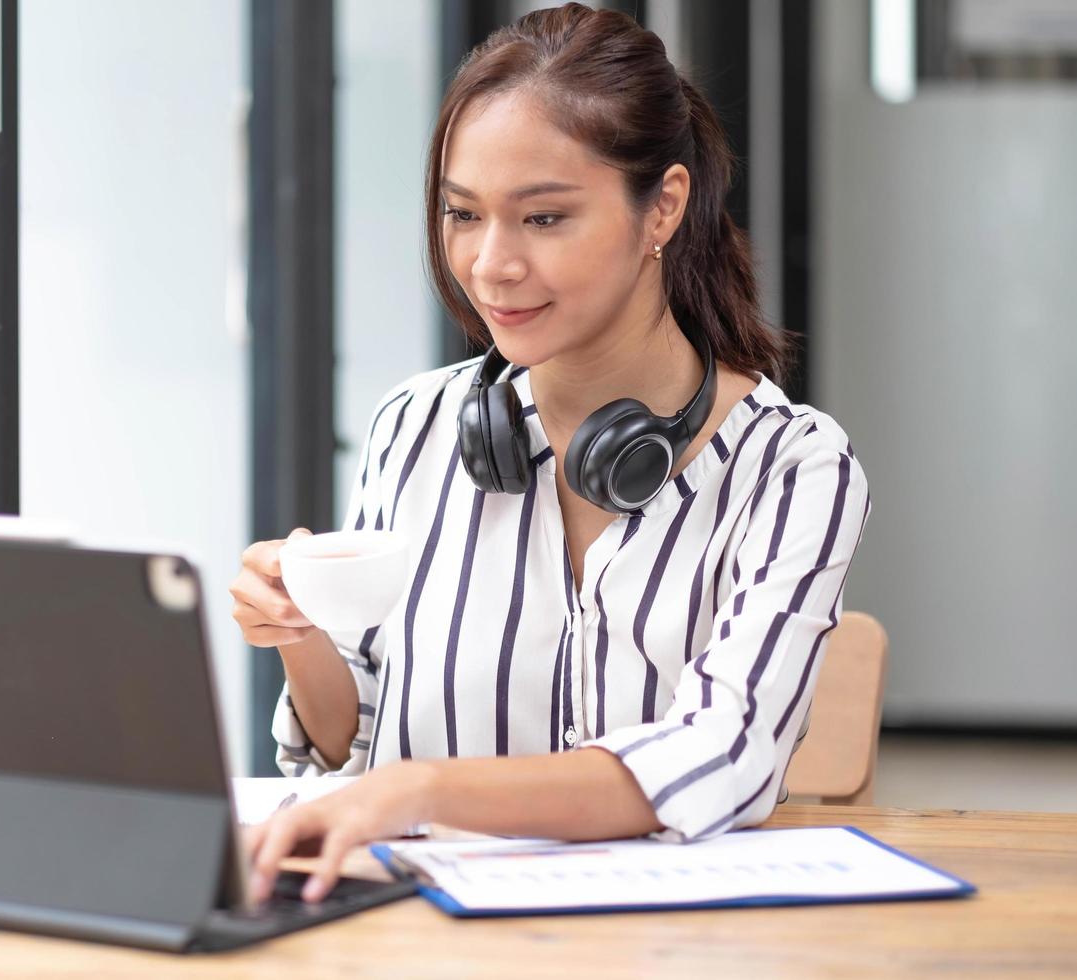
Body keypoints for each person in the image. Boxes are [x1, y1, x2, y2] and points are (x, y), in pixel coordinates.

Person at [231, 3, 871, 905]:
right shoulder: (413, 427)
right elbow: (351, 742)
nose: (489, 264)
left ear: (664, 209)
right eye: (462, 214)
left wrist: (420, 790)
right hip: (413, 946)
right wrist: (298, 634)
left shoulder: (794, 469)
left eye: (541, 219)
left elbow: (725, 750)